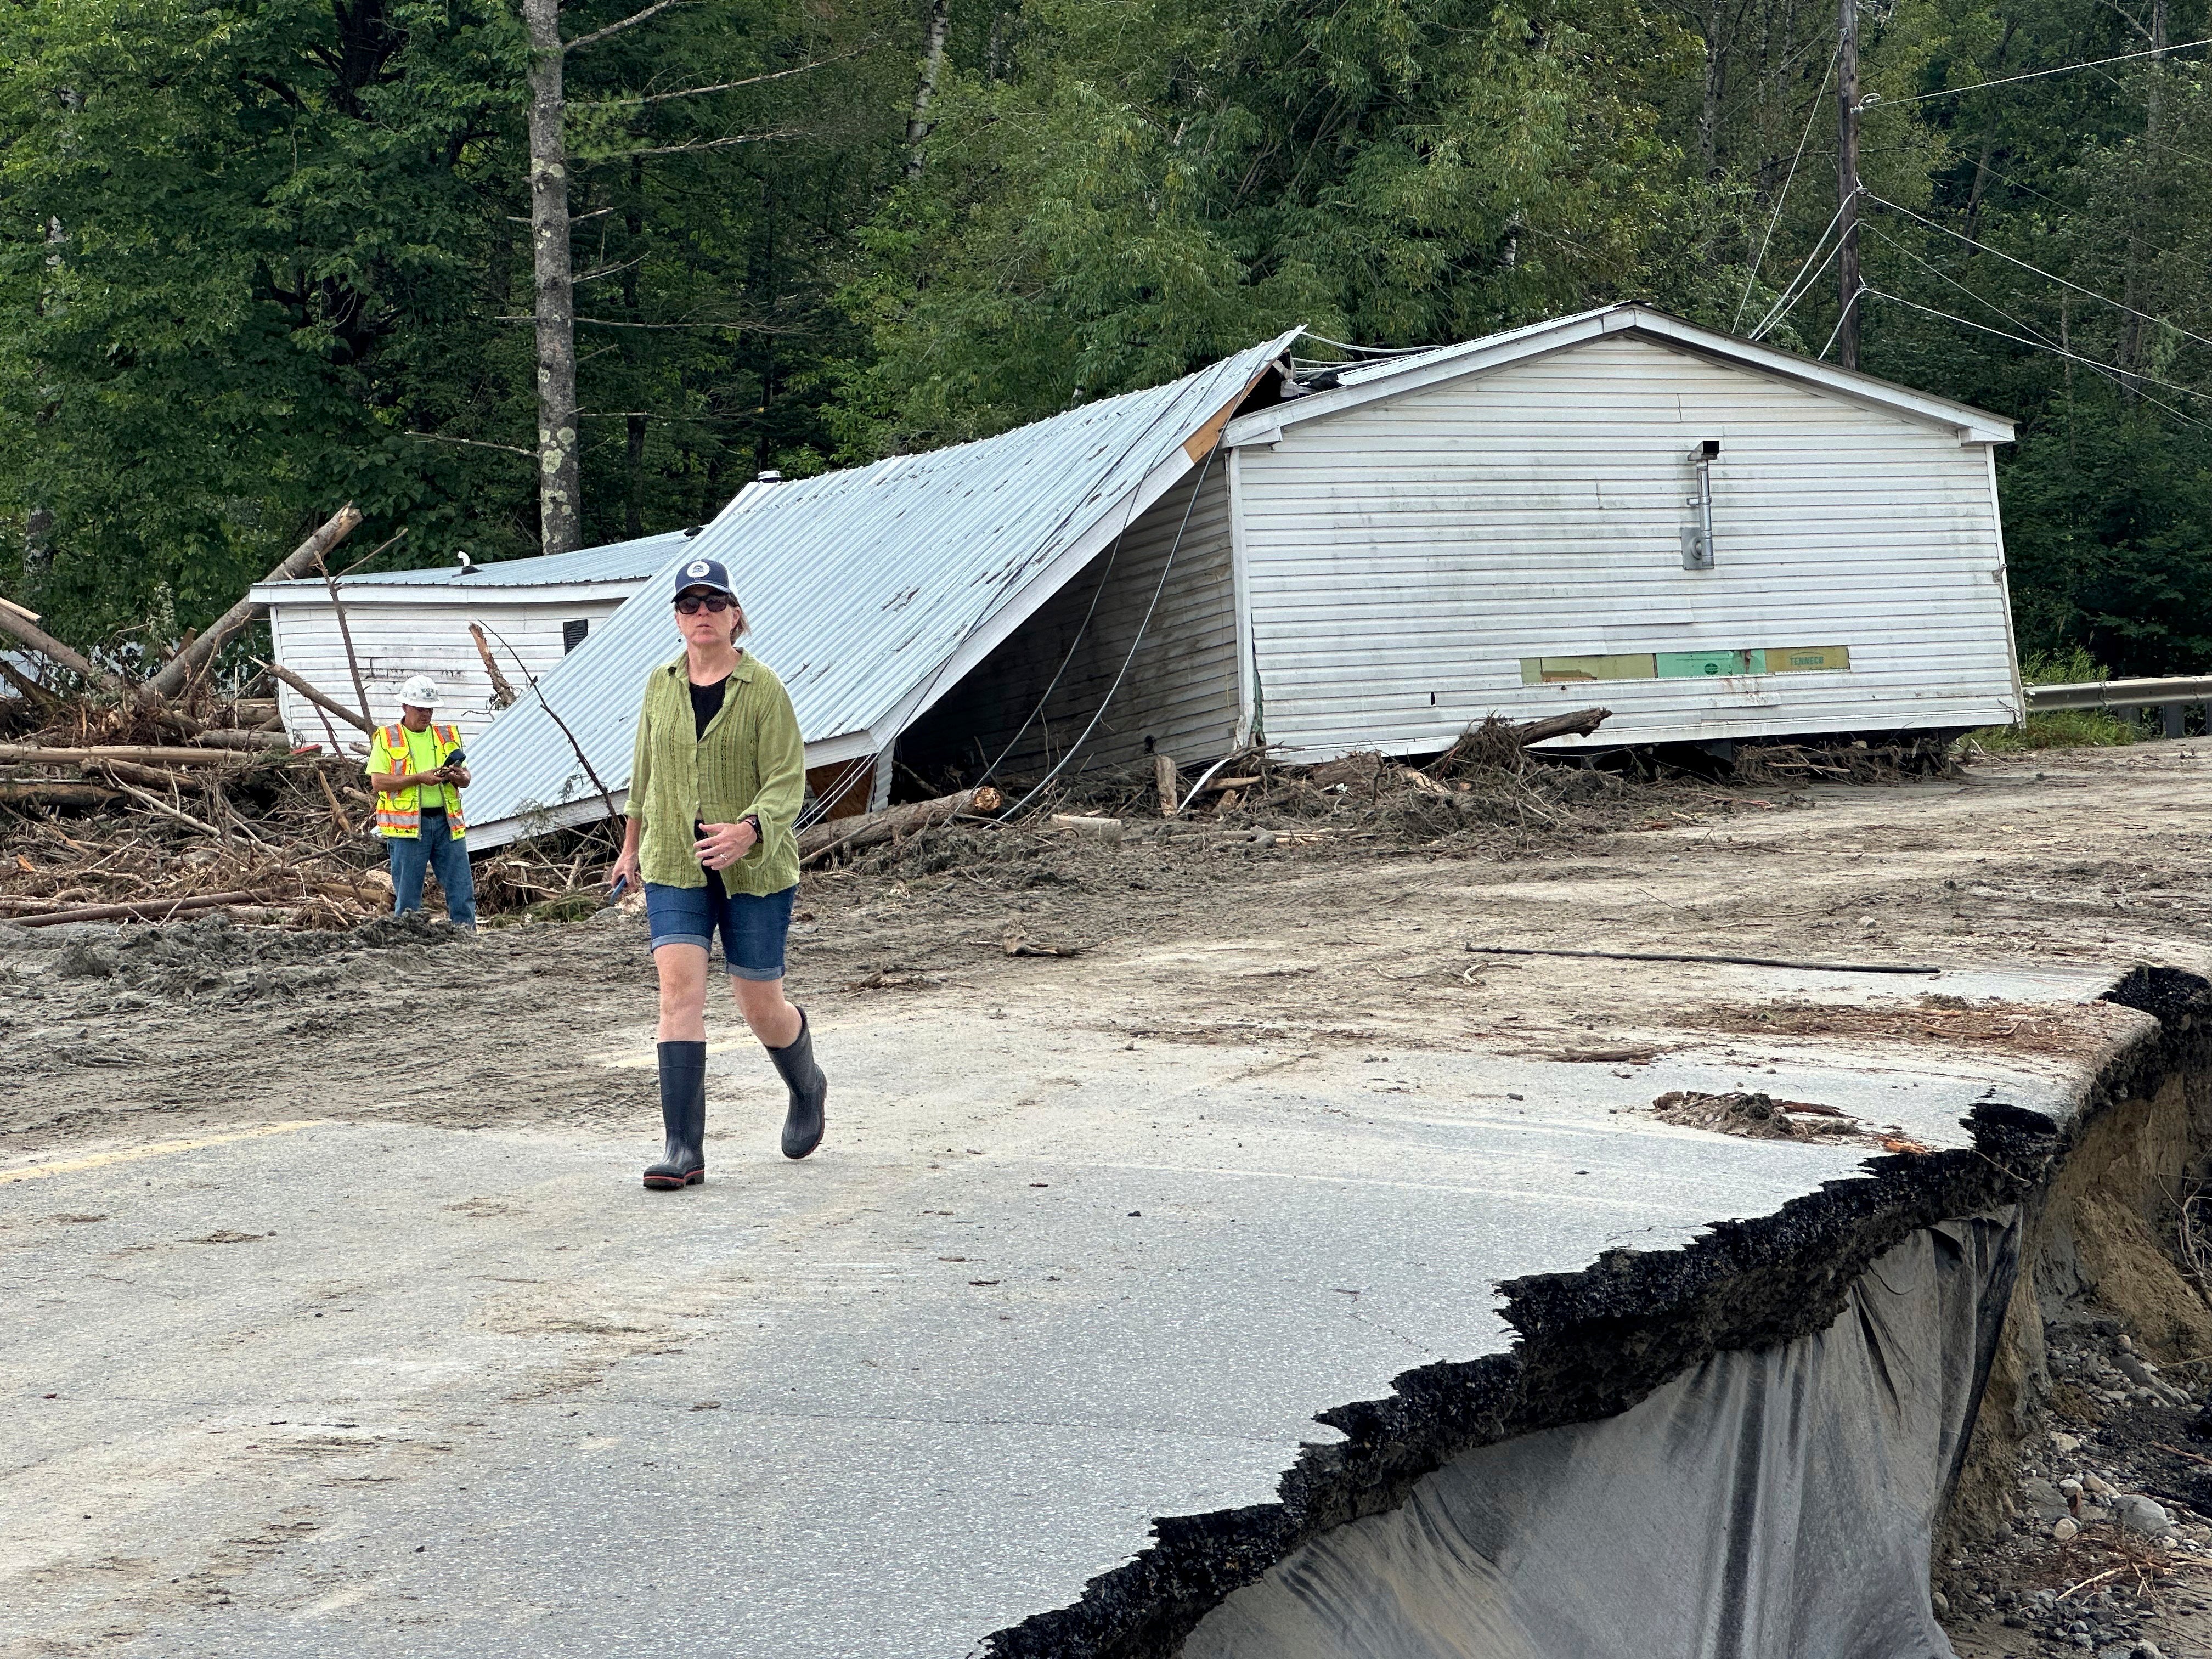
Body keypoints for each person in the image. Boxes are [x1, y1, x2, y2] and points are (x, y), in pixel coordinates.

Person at [609, 556, 825, 1191]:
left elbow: (789, 781)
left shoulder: (766, 690)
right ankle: (683, 1150)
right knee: (678, 994)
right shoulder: (661, 683)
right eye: (689, 605)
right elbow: (643, 772)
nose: (701, 615)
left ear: (735, 616)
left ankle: (806, 1084)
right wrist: (630, 847)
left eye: (713, 604)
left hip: (756, 868)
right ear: (677, 619)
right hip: (675, 862)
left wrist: (749, 829)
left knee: (760, 1005)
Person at [367, 675, 476, 930]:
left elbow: (467, 778)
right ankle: (406, 941)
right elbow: (378, 782)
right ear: (405, 707)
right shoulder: (387, 738)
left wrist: (461, 776)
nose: (426, 714)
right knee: (407, 896)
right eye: (420, 709)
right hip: (406, 829)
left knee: (462, 888)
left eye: (429, 709)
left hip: (447, 823)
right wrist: (419, 779)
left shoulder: (446, 735)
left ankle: (466, 937)